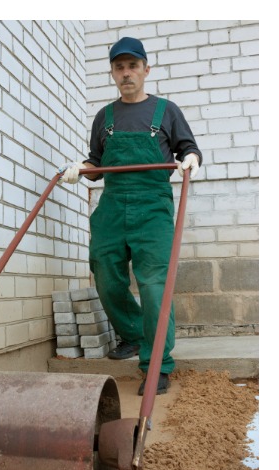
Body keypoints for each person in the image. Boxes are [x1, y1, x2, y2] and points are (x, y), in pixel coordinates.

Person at [60, 37, 202, 396]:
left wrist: (191, 160)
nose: (126, 73)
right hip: (113, 204)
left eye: (133, 66)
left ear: (145, 70)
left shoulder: (166, 111)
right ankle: (135, 334)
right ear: (112, 73)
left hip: (152, 207)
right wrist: (82, 168)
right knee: (105, 273)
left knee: (155, 287)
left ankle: (157, 365)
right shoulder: (104, 117)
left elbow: (188, 148)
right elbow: (97, 165)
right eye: (119, 67)